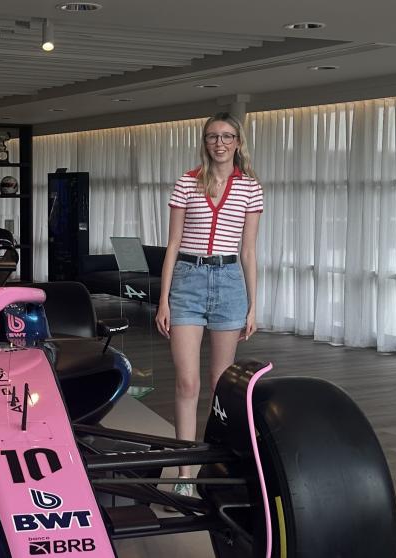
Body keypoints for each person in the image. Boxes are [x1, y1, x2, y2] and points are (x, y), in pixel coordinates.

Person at [155, 112, 263, 497]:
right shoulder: (186, 183)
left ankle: (212, 466)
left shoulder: (250, 188)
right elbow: (172, 245)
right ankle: (185, 473)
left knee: (220, 386)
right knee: (187, 382)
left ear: (237, 142)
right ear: (205, 141)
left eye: (227, 136)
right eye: (213, 136)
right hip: (187, 280)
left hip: (230, 282)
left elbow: (248, 252)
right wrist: (164, 299)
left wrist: (252, 305)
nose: (220, 142)